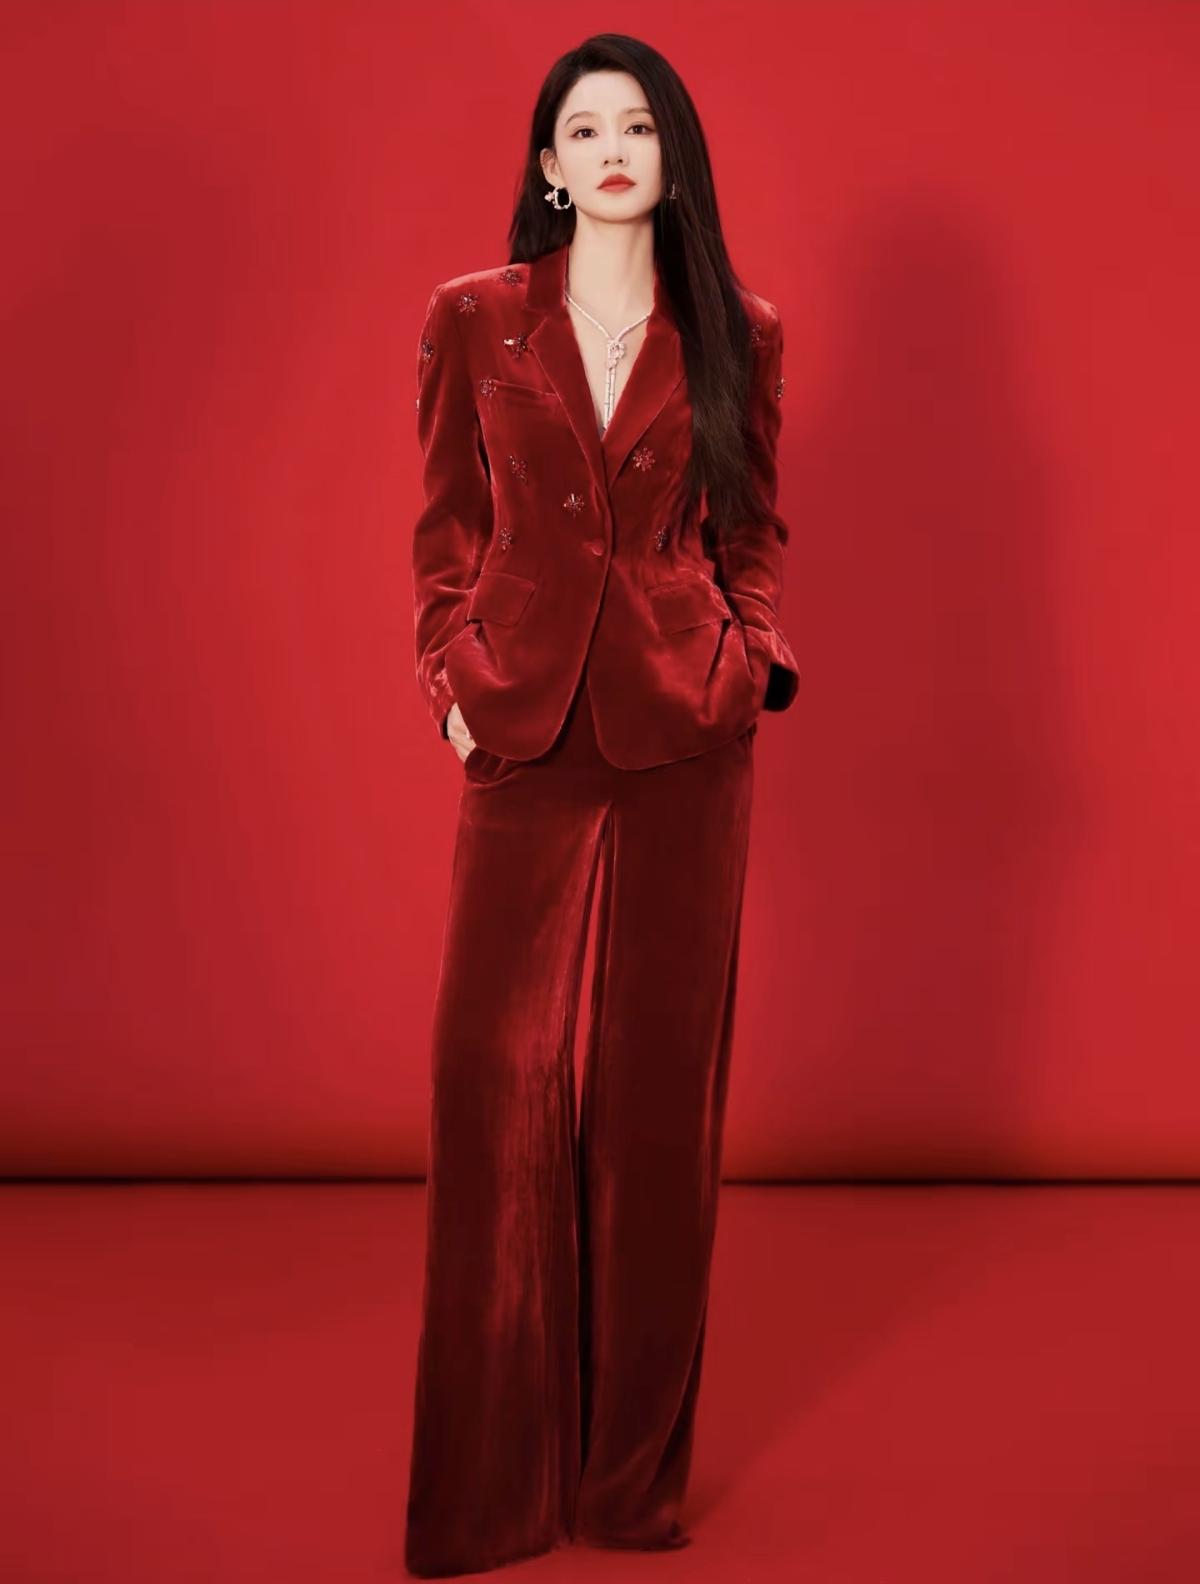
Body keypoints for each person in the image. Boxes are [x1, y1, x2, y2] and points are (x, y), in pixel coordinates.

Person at [404, 32, 800, 1579]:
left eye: (641, 124)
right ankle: (488, 1495)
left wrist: (750, 662)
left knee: (654, 1110)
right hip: (523, 722)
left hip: (688, 732)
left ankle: (628, 1484)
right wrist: (450, 675)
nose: (616, 146)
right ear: (550, 166)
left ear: (675, 158)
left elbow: (753, 528)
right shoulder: (473, 317)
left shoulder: (742, 332)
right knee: (494, 1079)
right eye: (586, 128)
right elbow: (444, 526)